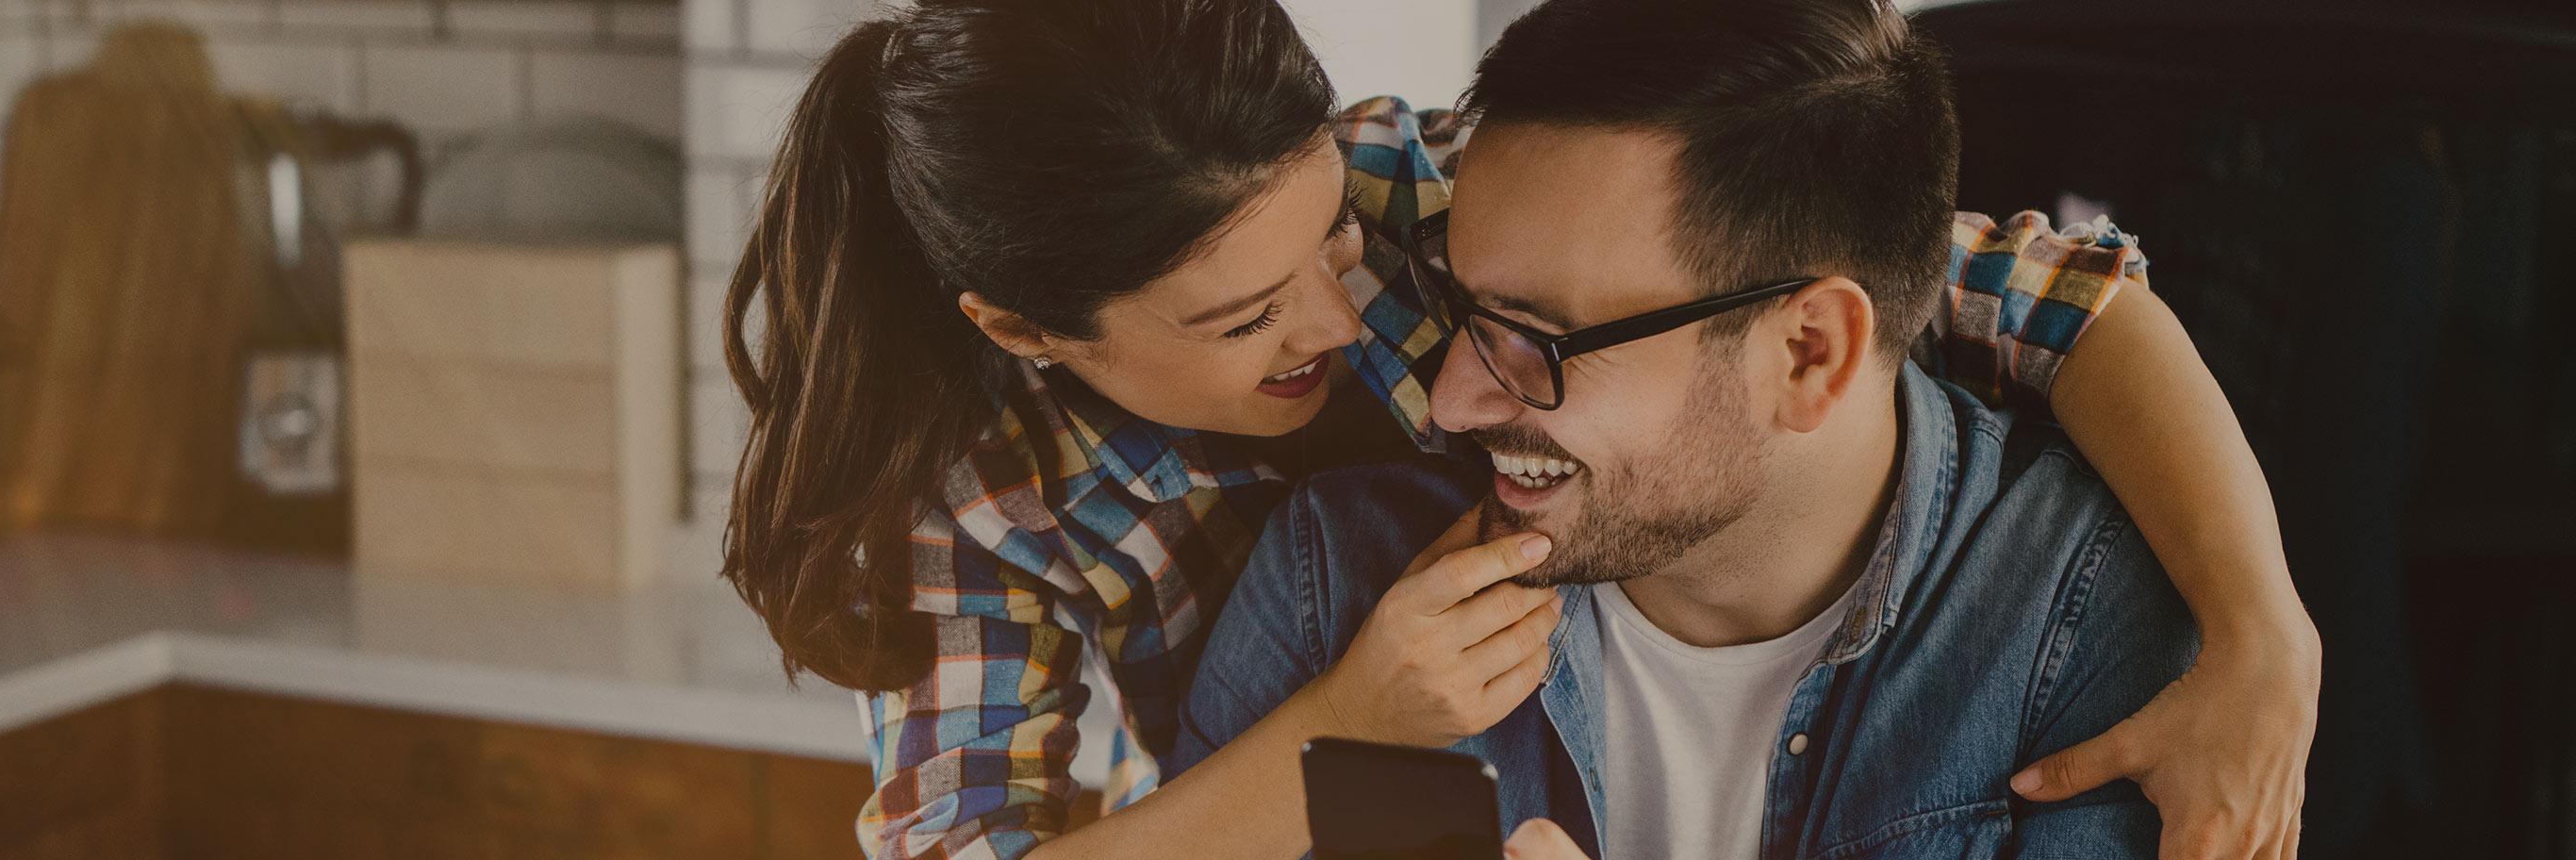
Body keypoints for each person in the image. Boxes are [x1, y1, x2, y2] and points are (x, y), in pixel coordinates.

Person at [717, 2, 2316, 858]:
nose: (1352, 327)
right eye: (1244, 318)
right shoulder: (980, 503)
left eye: (1334, 245)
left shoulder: (1429, 186)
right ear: (1026, 331)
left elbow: (2018, 288)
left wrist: (2264, 629)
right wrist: (1343, 722)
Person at [1171, 1, 2286, 858]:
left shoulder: (2078, 627)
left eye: (1538, 341)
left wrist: (2265, 633)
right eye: (1465, 309)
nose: (1449, 402)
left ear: (1806, 355)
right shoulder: (1340, 578)